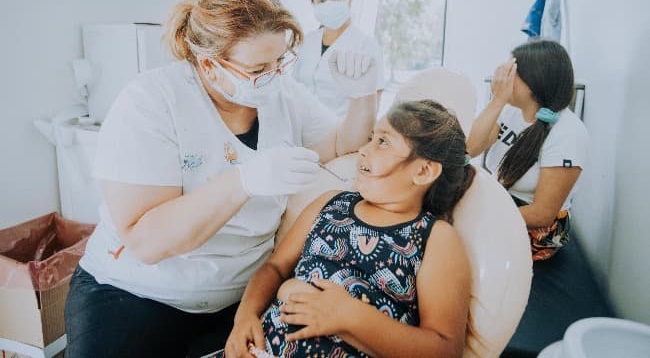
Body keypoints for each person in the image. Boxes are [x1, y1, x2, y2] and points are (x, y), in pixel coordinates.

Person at [64, 0, 379, 358]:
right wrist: (243, 181)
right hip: (132, 293)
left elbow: (340, 144)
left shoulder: (285, 95)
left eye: (280, 61)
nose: (274, 76)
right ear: (210, 65)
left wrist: (363, 97)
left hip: (234, 299)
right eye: (260, 67)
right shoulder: (151, 102)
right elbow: (146, 242)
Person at [223, 100, 475, 358]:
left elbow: (445, 348)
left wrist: (350, 317)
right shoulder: (331, 203)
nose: (363, 150)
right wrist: (245, 316)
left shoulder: (434, 237)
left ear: (423, 171)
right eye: (370, 138)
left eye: (383, 142)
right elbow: (275, 268)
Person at [467, 39, 589, 261]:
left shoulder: (569, 132)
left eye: (510, 73)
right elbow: (470, 149)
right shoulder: (509, 111)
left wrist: (479, 217)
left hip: (536, 230)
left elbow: (542, 214)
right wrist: (496, 102)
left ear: (534, 82)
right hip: (502, 203)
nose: (503, 79)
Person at [292, 0, 385, 116]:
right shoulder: (307, 41)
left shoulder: (366, 46)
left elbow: (371, 109)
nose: (329, 5)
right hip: (301, 128)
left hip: (340, 134)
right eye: (321, 0)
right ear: (313, 3)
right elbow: (293, 87)